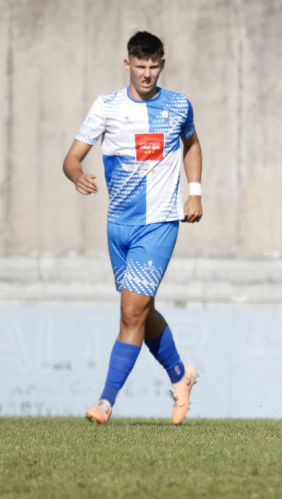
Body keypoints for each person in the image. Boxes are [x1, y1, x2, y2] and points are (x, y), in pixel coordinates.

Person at [62, 31, 202, 425]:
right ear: (128, 64)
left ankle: (105, 402)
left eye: (153, 66)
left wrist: (195, 193)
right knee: (140, 312)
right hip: (118, 226)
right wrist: (77, 175)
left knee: (130, 311)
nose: (147, 73)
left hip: (158, 223)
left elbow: (192, 145)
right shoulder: (106, 107)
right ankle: (181, 376)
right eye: (139, 66)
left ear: (162, 63)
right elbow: (72, 158)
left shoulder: (177, 105)